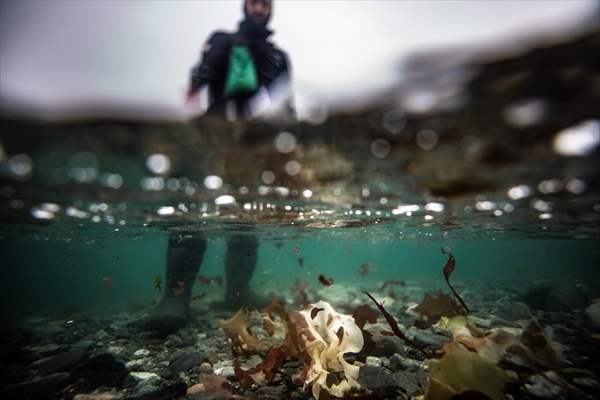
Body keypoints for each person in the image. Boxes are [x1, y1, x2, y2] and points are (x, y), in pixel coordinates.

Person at [144, 0, 292, 334]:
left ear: (271, 9)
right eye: (254, 2)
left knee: (248, 213)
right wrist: (188, 112)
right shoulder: (223, 40)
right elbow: (199, 77)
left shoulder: (277, 56)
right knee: (192, 208)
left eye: (265, 3)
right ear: (245, 6)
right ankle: (175, 295)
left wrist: (286, 145)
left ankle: (237, 292)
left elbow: (287, 106)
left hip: (250, 142)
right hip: (211, 134)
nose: (259, 8)